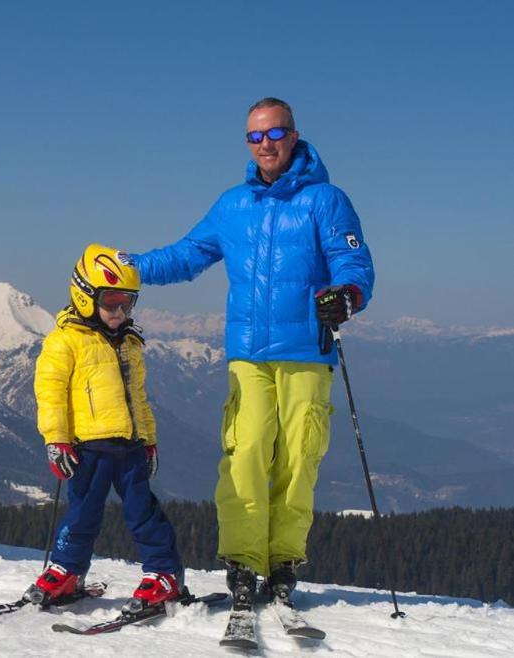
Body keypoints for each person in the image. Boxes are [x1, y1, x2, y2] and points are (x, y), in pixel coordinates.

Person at [131, 97, 375, 610]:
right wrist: (129, 266)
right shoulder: (233, 206)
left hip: (307, 351)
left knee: (298, 458)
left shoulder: (326, 200)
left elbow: (352, 261)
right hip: (247, 353)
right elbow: (187, 255)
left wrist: (348, 295)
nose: (265, 144)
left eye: (274, 133)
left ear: (293, 136)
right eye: (255, 136)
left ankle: (283, 562)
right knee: (245, 453)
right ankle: (242, 561)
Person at [29, 244, 184, 611]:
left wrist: (149, 440)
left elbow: (138, 397)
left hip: (129, 447)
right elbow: (50, 393)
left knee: (142, 513)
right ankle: (67, 570)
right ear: (85, 295)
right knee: (82, 513)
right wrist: (56, 439)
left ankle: (164, 574)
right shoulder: (65, 341)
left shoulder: (130, 343)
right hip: (88, 448)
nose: (120, 311)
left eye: (128, 303)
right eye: (111, 301)